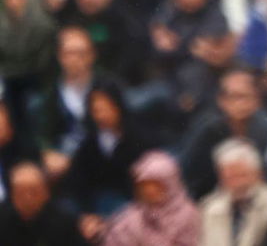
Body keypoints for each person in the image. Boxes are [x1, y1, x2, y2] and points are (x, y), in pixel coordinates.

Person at [178, 68, 267, 201]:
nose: (239, 104)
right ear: (221, 101)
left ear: (257, 101)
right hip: (216, 197)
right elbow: (189, 171)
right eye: (233, 97)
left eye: (245, 97)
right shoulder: (209, 128)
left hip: (260, 197)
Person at [29, 26, 112, 180]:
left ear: (92, 55)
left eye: (81, 53)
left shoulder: (107, 87)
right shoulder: (51, 93)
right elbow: (43, 133)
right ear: (60, 57)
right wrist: (48, 153)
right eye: (68, 53)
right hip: (63, 163)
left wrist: (73, 159)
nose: (74, 60)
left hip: (100, 162)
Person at [62, 82, 148, 218]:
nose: (101, 116)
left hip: (131, 205)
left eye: (106, 109)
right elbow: (78, 181)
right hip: (98, 205)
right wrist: (87, 215)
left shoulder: (137, 137)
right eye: (96, 111)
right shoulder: (90, 142)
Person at [198, 139, 267, 246]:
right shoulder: (210, 209)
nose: (237, 184)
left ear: (258, 174)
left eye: (242, 176)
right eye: (230, 177)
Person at [102, 150, 201, 246]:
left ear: (170, 184)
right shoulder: (132, 216)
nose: (149, 191)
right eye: (143, 185)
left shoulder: (187, 214)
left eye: (155, 185)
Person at [0, 0, 56, 116]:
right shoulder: (2, 24)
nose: (14, 2)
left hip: (35, 84)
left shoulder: (44, 26)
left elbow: (43, 65)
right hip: (8, 82)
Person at [0, 161, 90, 245]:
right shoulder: (3, 219)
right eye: (20, 193)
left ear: (46, 193)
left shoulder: (65, 221)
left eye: (34, 193)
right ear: (11, 195)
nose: (27, 199)